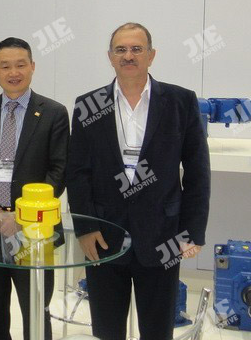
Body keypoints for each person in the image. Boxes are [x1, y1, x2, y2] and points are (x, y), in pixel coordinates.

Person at [65, 23, 211, 340]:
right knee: (107, 330)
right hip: (103, 237)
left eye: (136, 49)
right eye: (121, 49)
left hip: (163, 235)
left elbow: (198, 172)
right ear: (110, 56)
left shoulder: (181, 101)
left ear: (151, 55)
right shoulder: (88, 105)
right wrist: (86, 228)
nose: (128, 56)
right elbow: (77, 172)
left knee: (157, 331)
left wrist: (191, 231)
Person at [0, 37, 69, 340]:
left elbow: (58, 172)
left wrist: (23, 216)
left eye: (20, 65)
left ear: (32, 66)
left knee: (36, 310)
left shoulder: (54, 112)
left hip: (35, 229)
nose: (13, 72)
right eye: (5, 66)